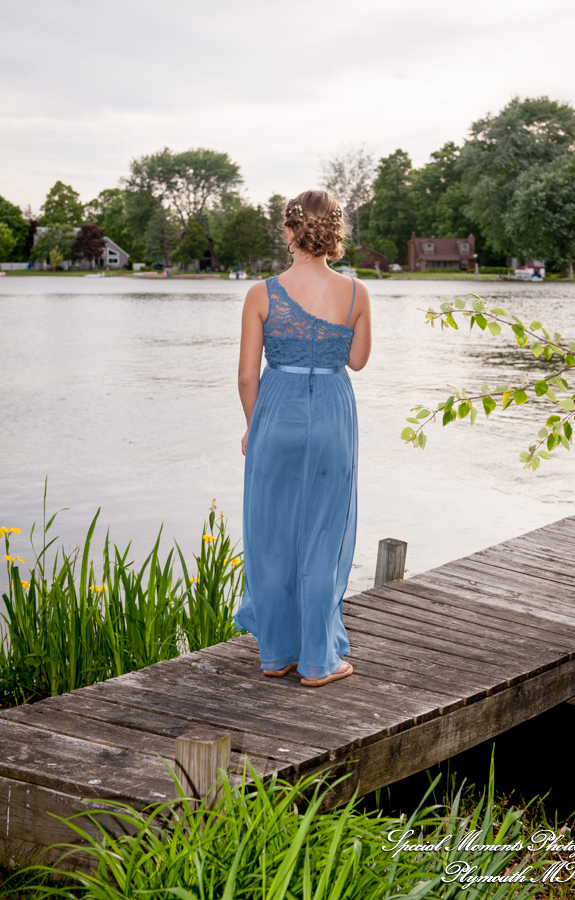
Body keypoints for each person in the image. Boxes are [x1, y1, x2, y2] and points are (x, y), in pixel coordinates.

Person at [234, 189, 372, 687]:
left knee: (271, 537)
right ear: (334, 233)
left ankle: (277, 655)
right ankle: (319, 661)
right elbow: (356, 361)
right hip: (333, 416)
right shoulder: (356, 292)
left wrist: (257, 425)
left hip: (277, 415)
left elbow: (248, 376)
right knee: (321, 538)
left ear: (290, 231)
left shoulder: (261, 294)